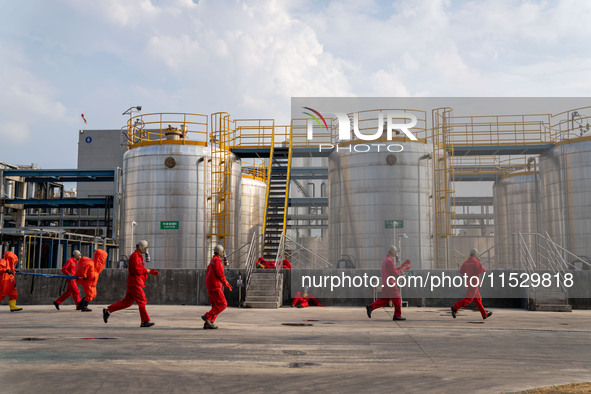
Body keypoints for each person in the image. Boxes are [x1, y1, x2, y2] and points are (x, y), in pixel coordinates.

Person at [103, 240, 157, 327]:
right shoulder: (135, 256)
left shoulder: (139, 256)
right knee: (142, 301)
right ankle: (144, 321)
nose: (146, 250)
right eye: (145, 247)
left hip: (136, 282)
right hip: (135, 283)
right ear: (140, 248)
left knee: (127, 302)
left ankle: (108, 310)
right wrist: (148, 271)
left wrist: (148, 272)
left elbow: (139, 269)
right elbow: (136, 270)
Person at [365, 246, 411, 321]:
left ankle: (371, 307)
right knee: (398, 299)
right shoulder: (389, 260)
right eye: (396, 253)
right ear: (393, 252)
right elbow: (395, 272)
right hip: (391, 283)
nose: (396, 254)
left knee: (385, 299)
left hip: (385, 283)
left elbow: (394, 269)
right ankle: (397, 315)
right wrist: (404, 268)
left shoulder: (386, 259)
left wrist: (403, 266)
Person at [451, 248, 493, 320]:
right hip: (474, 283)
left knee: (478, 299)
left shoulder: (466, 262)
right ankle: (455, 307)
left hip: (469, 282)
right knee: (468, 299)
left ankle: (484, 314)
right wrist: (482, 266)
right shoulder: (476, 262)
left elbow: (461, 271)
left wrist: (467, 275)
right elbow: (481, 270)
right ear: (475, 254)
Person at [202, 245, 232, 329]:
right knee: (223, 304)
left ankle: (209, 323)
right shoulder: (217, 260)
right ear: (220, 252)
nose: (223, 253)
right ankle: (207, 316)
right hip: (215, 287)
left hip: (211, 287)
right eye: (222, 251)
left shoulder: (212, 260)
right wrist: (226, 283)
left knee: (215, 306)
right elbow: (220, 274)